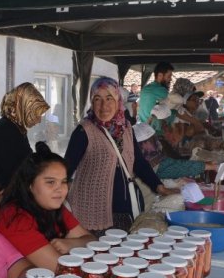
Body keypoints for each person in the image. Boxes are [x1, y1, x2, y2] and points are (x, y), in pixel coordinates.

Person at [65, 77, 174, 233]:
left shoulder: (126, 127)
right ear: (92, 101)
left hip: (124, 208)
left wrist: (159, 187)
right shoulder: (84, 131)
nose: (104, 106)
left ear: (118, 100)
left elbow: (139, 162)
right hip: (93, 211)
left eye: (109, 98)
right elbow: (66, 169)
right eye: (97, 99)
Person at [0, 143, 95, 272]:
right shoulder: (14, 217)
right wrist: (76, 246)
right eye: (50, 182)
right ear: (29, 185)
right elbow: (60, 269)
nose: (59, 189)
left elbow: (92, 240)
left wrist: (71, 244)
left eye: (64, 182)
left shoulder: (53, 206)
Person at [0, 82, 50, 189]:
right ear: (25, 108)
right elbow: (19, 166)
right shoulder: (7, 130)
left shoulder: (13, 127)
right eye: (36, 113)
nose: (39, 120)